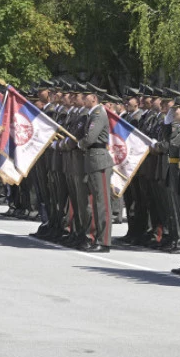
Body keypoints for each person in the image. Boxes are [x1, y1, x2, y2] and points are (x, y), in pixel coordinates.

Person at [78, 85, 113, 253]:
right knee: (95, 202)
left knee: (102, 202)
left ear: (94, 98)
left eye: (86, 96)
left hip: (99, 161)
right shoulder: (92, 114)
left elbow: (91, 138)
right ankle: (95, 237)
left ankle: (104, 241)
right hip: (92, 160)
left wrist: (80, 144)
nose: (83, 99)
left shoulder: (98, 114)